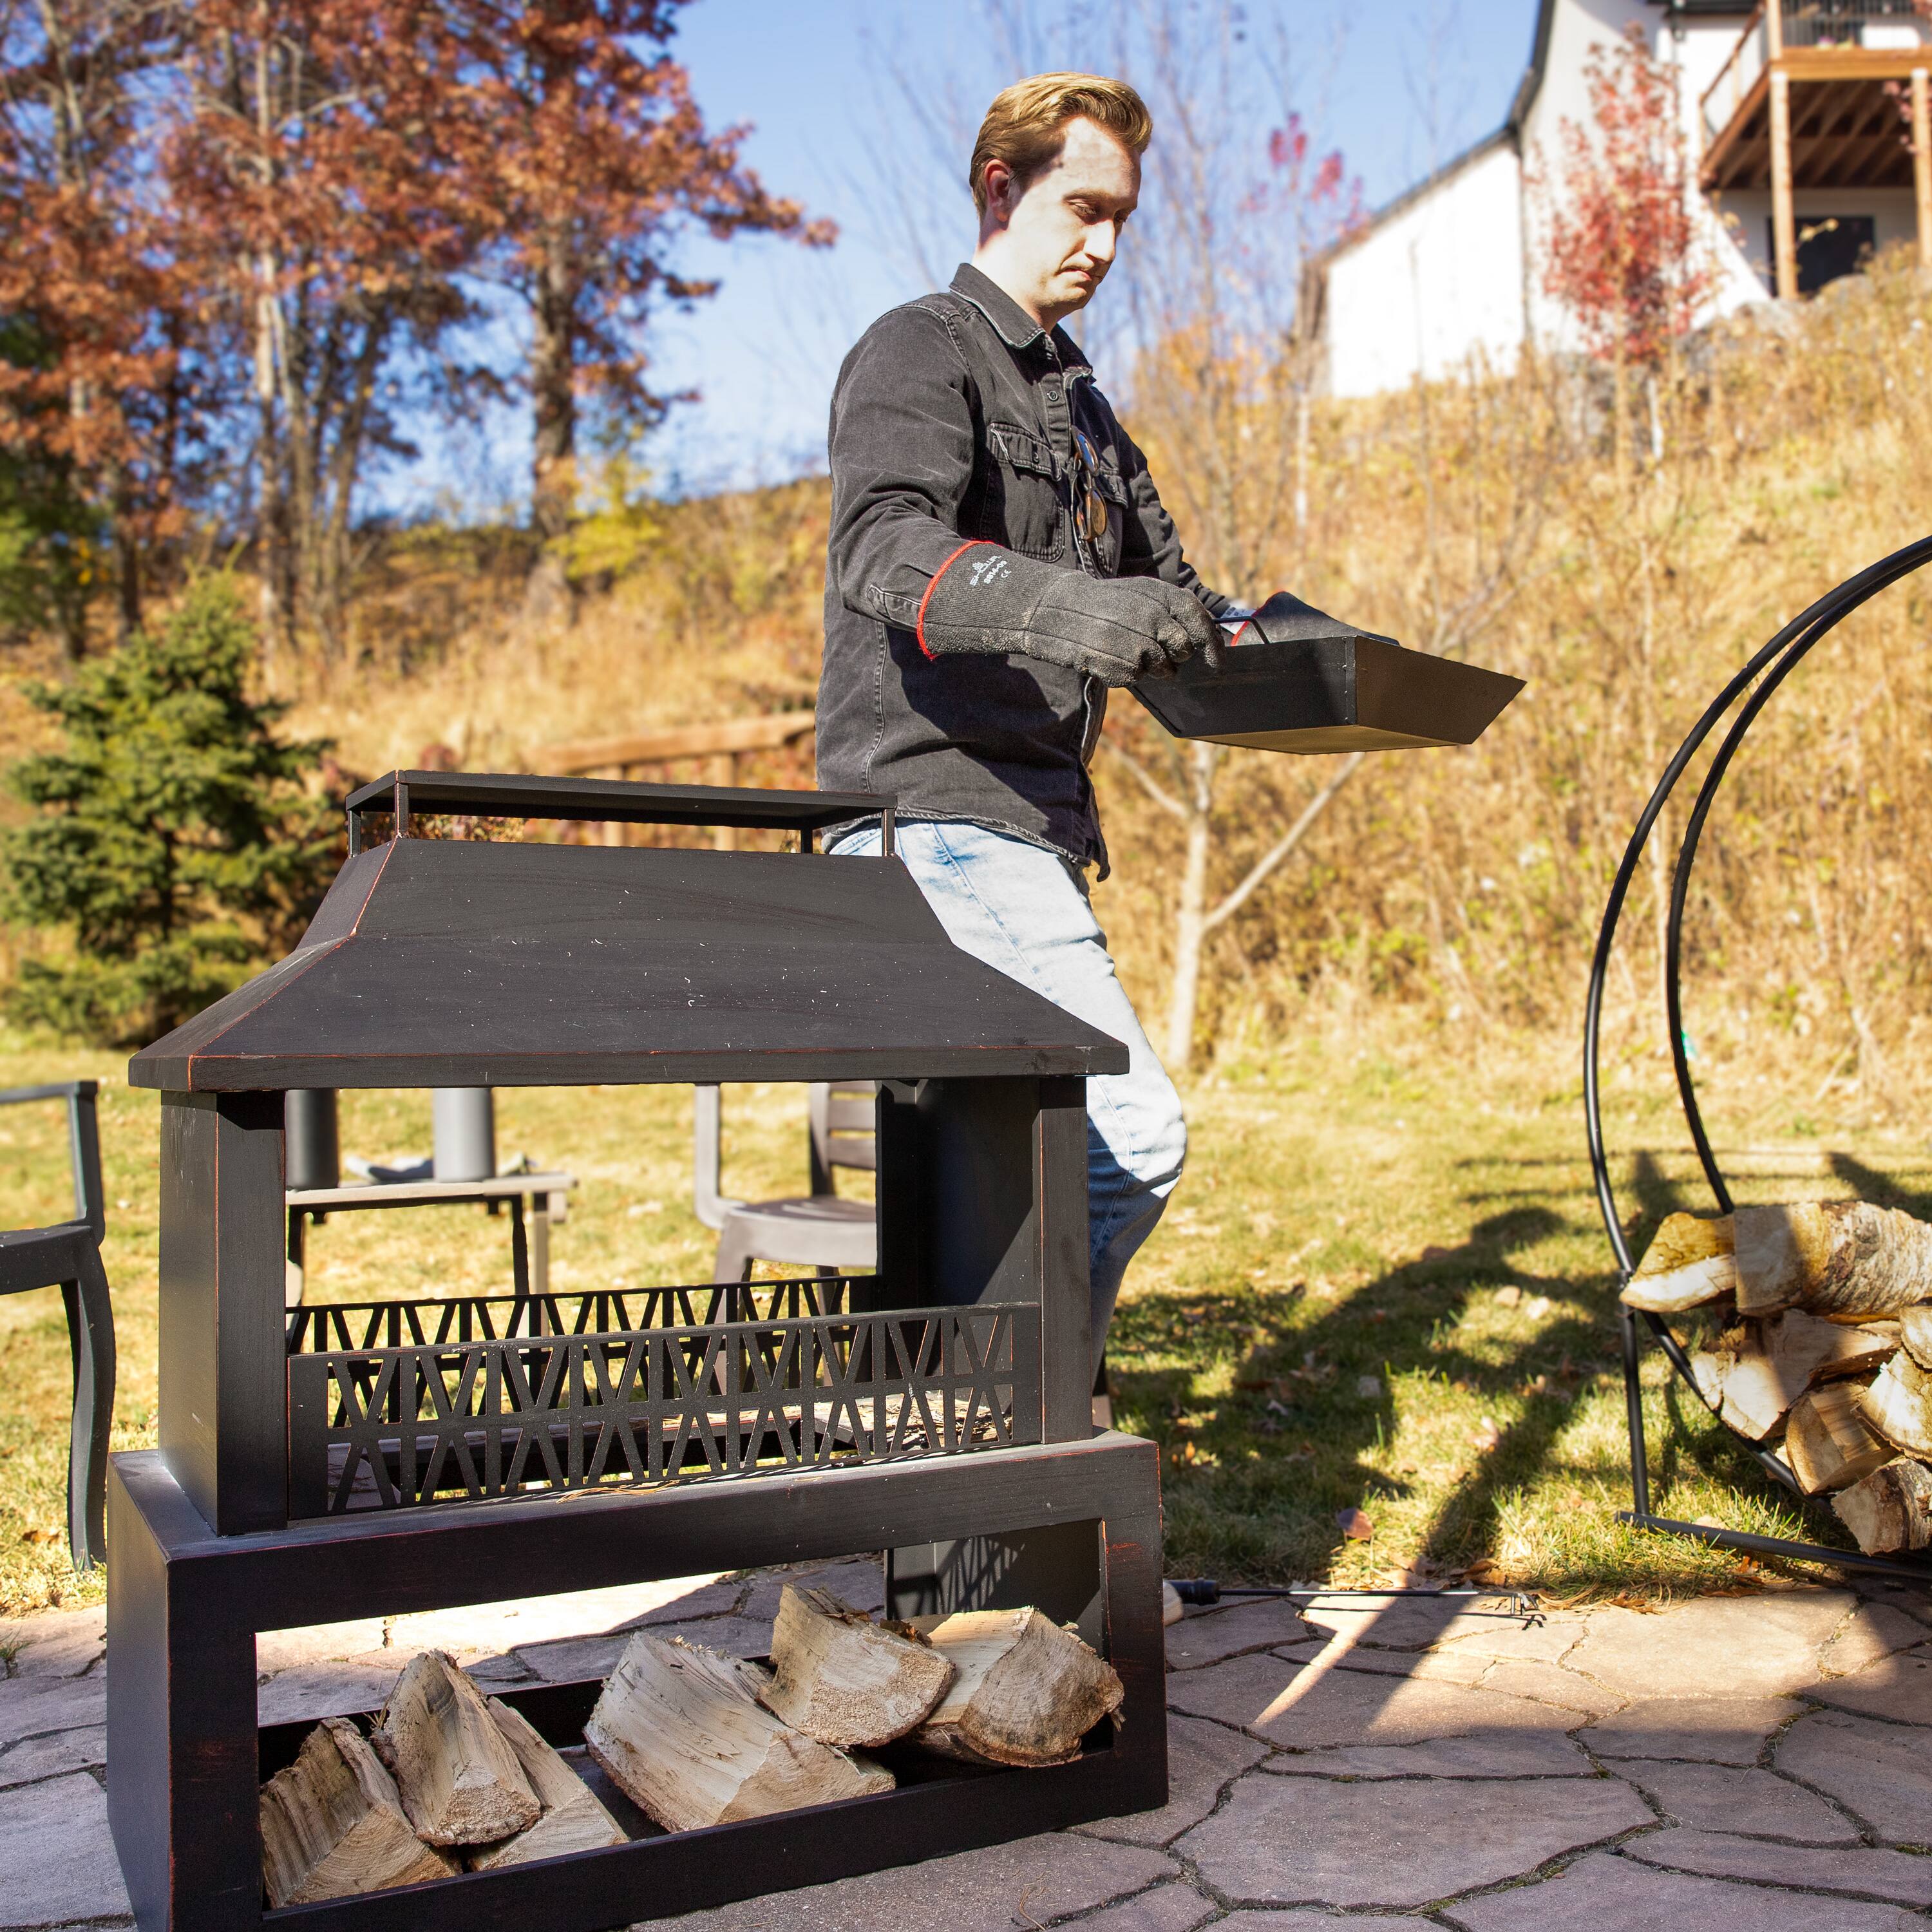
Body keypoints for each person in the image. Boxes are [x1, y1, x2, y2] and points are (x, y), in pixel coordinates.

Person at [817, 72, 1229, 1385]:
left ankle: (972, 1451)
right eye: (1083, 207)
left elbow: (1181, 607)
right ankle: (1020, 1426)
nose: (1107, 245)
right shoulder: (917, 349)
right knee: (1128, 1140)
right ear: (1004, 186)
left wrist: (1336, 674)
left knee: (1000, 1196)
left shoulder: (1094, 420)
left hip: (1032, 842)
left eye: (1125, 219)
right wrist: (1087, 619)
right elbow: (883, 551)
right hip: (926, 826)